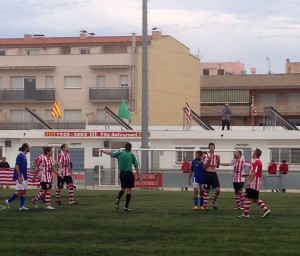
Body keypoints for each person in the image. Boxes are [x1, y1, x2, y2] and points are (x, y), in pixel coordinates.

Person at [100, 142, 140, 211]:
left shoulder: (120, 153)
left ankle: (118, 199)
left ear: (125, 148)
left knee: (123, 189)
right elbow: (136, 165)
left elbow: (110, 153)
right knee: (129, 190)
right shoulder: (131, 155)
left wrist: (102, 150)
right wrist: (138, 175)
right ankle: (126, 207)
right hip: (129, 173)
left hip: (122, 173)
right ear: (130, 148)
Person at [238, 148, 271, 218]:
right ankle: (266, 210)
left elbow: (254, 172)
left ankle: (246, 214)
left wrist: (249, 182)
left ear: (255, 154)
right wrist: (246, 175)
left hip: (253, 183)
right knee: (255, 199)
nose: (252, 153)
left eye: (253, 152)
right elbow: (255, 172)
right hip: (258, 182)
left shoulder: (255, 162)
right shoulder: (259, 162)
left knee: (247, 197)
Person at [5, 143, 30, 210]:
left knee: (24, 191)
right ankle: (8, 201)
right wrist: (19, 176)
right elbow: (17, 166)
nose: (29, 148)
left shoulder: (24, 156)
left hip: (24, 175)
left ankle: (21, 206)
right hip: (21, 175)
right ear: (26, 148)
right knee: (20, 191)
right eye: (28, 147)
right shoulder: (20, 155)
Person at [202, 142, 221, 210]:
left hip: (214, 173)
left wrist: (218, 160)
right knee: (207, 190)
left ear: (214, 148)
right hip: (208, 173)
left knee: (218, 190)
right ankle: (204, 205)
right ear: (209, 148)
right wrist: (208, 161)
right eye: (210, 147)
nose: (212, 148)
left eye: (213, 147)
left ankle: (212, 202)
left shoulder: (216, 156)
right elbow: (204, 166)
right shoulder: (206, 156)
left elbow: (218, 166)